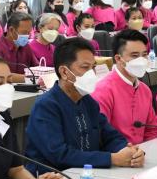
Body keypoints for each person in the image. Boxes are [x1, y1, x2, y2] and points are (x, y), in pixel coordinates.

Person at [25, 38, 144, 172]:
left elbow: (110, 136)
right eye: (85, 67)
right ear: (64, 72)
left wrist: (129, 151)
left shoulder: (88, 102)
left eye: (93, 67)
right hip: (55, 177)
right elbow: (59, 154)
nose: (91, 73)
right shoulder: (46, 106)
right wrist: (112, 158)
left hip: (88, 173)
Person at [92, 30, 157, 144]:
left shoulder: (145, 90)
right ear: (118, 59)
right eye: (135, 56)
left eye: (144, 55)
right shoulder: (103, 91)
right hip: (117, 153)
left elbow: (152, 129)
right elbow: (101, 136)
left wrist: (150, 149)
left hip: (144, 151)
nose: (141, 60)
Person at [0, 11, 38, 83]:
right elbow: (2, 76)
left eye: (28, 33)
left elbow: (37, 68)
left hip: (26, 87)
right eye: (24, 32)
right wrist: (31, 78)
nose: (27, 36)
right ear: (11, 30)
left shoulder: (26, 47)